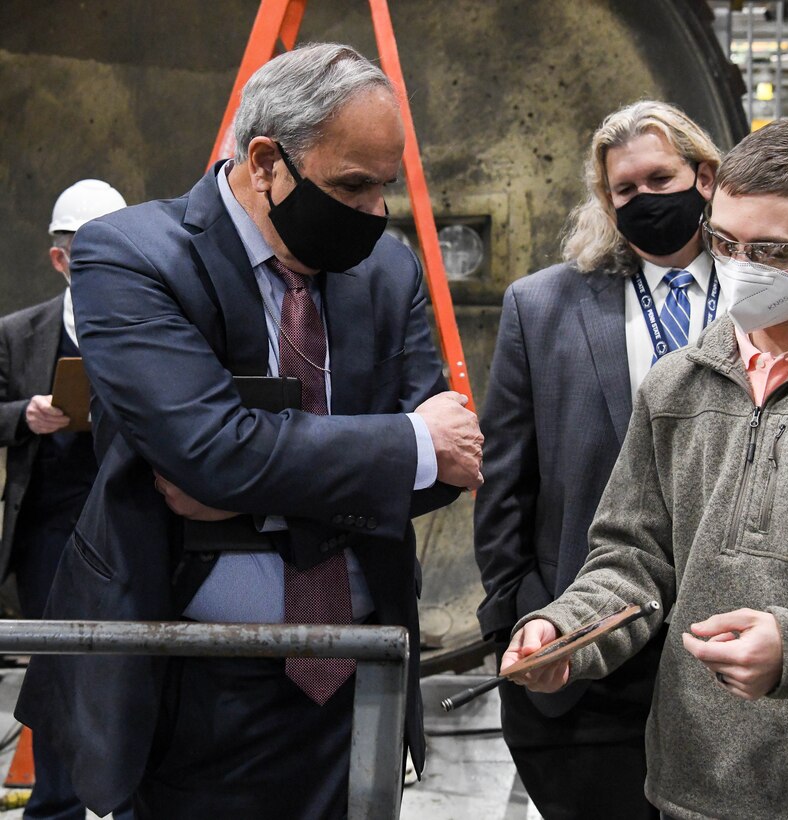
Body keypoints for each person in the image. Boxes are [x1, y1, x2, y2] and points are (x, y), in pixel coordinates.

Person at [16, 42, 483, 819]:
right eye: (352, 185)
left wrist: (252, 484)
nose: (374, 212)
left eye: (385, 188)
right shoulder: (132, 256)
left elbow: (450, 462)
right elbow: (207, 447)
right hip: (190, 681)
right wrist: (394, 446)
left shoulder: (386, 271)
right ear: (266, 161)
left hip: (356, 672)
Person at [502, 118, 788, 819]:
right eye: (725, 241)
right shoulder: (677, 384)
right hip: (692, 790)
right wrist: (568, 631)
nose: (740, 265)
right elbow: (631, 560)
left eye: (773, 250)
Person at [473, 101, 722, 819]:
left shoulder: (759, 299)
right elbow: (506, 482)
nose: (644, 199)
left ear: (704, 177)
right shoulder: (543, 307)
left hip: (732, 658)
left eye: (660, 178)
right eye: (625, 190)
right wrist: (512, 615)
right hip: (587, 659)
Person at [0, 179, 133, 820]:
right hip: (50, 528)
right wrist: (23, 416)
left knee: (133, 666)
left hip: (128, 522)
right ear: (62, 260)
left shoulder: (147, 328)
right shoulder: (21, 334)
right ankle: (54, 807)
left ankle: (134, 801)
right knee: (54, 671)